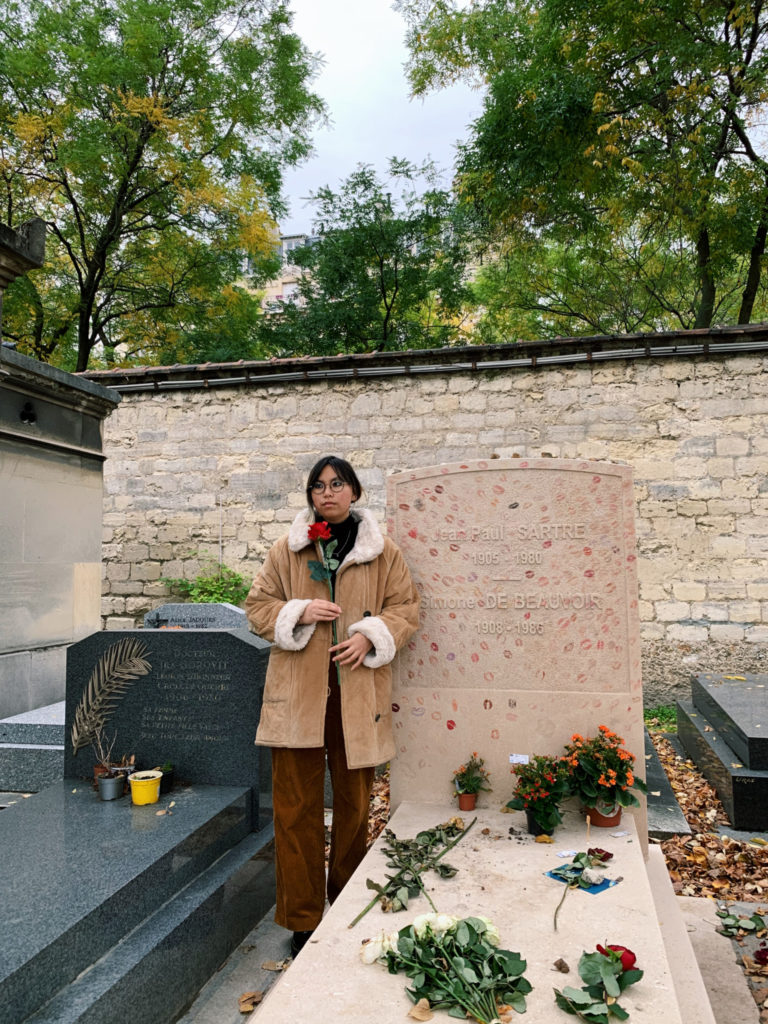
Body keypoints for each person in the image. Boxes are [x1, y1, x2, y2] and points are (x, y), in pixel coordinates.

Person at [245, 456, 420, 958]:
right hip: (298, 697)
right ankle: (301, 918)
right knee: (295, 809)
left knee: (354, 805)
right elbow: (258, 607)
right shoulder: (289, 550)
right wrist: (298, 611)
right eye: (318, 486)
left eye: (337, 483)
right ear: (311, 495)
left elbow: (406, 608)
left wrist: (370, 637)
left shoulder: (382, 553)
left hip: (356, 696)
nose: (327, 492)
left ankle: (344, 906)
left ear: (354, 491)